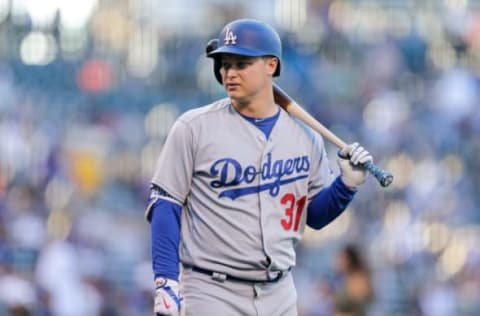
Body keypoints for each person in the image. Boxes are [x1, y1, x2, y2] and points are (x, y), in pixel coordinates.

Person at [146, 18, 373, 316]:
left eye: (241, 63)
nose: (230, 73)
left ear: (271, 65)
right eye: (225, 64)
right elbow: (166, 204)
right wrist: (166, 281)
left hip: (279, 292)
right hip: (211, 290)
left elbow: (314, 217)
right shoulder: (193, 127)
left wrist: (346, 186)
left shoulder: (305, 135)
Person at [332, 244, 374, 316]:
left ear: (350, 260)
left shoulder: (360, 278)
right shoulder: (343, 278)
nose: (339, 261)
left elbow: (363, 299)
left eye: (342, 258)